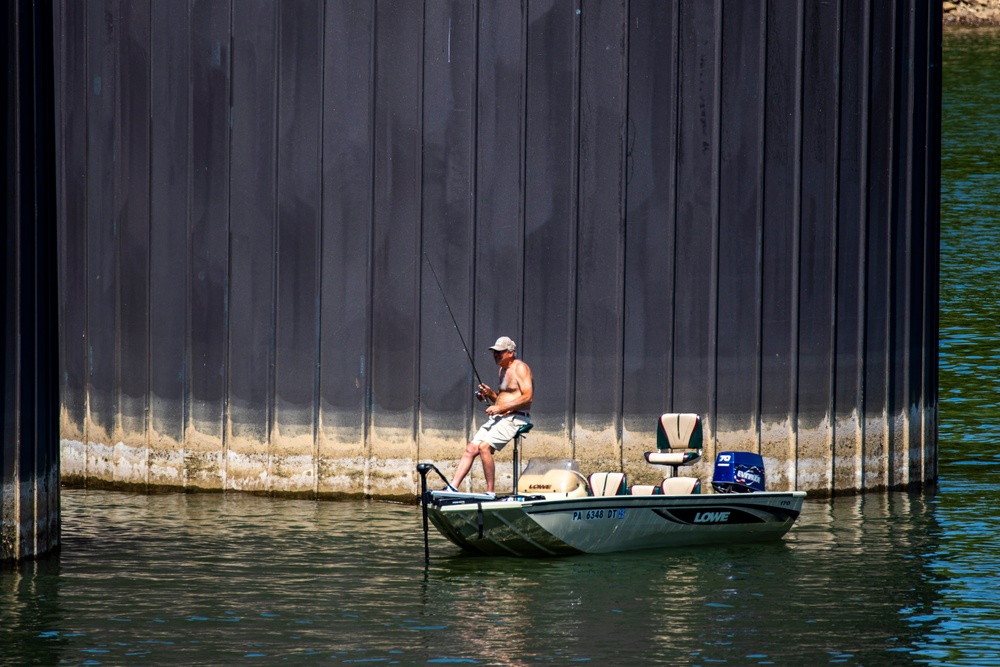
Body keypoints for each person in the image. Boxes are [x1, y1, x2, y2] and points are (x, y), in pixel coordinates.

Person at [447, 336, 533, 494]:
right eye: (494, 352)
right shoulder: (502, 370)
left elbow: (528, 397)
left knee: (484, 447)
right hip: (501, 417)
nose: (496, 355)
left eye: (500, 352)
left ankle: (490, 492)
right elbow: (501, 398)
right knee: (471, 448)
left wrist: (499, 409)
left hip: (516, 418)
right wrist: (489, 394)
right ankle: (452, 488)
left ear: (510, 352)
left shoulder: (521, 368)